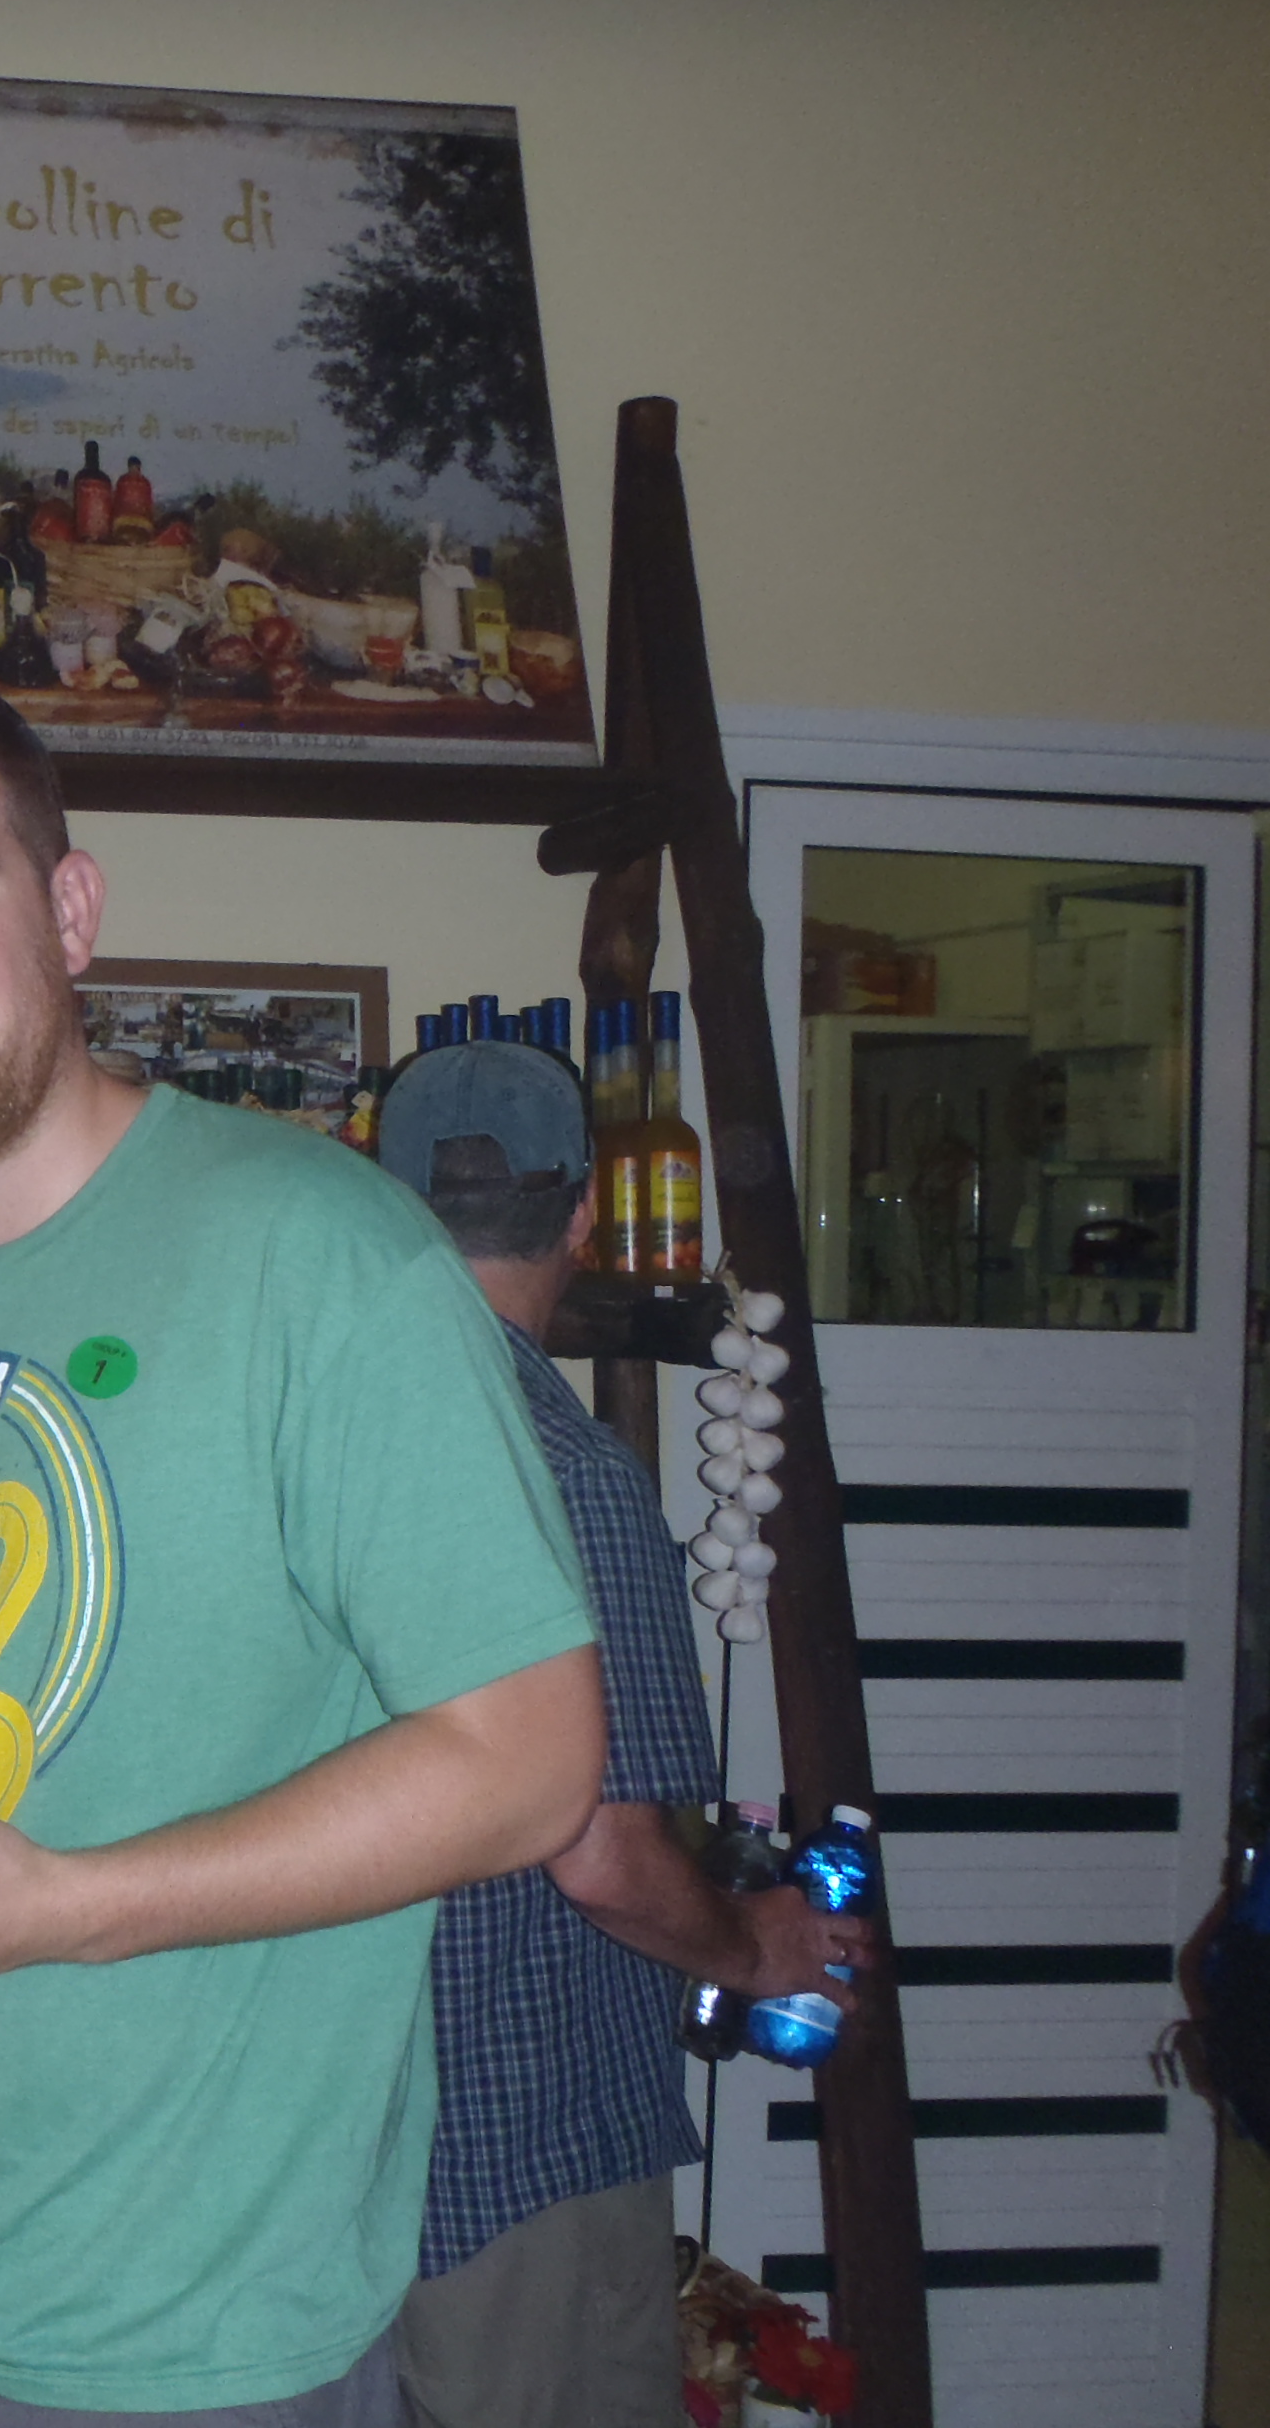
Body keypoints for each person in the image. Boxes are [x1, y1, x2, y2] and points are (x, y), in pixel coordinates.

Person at [0, 671, 608, 2424]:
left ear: (67, 908)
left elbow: (524, 1764)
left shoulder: (322, 1257)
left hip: (201, 2327)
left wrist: (58, 1909)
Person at [372, 1039, 869, 2428]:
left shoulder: (323, 1429)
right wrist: (754, 1940)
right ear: (585, 1214)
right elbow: (601, 1852)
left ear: (386, 1199)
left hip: (346, 2128)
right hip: (525, 2136)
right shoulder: (571, 1475)